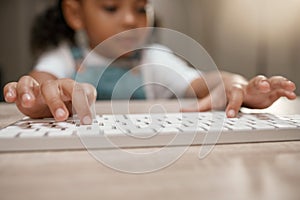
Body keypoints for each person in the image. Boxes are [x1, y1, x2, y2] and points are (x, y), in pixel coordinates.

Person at [3, 0, 297, 125]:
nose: (131, 19)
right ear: (75, 13)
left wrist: (236, 85)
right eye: (111, 7)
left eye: (141, 8)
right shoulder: (64, 58)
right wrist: (42, 94)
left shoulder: (153, 59)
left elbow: (202, 82)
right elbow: (42, 80)